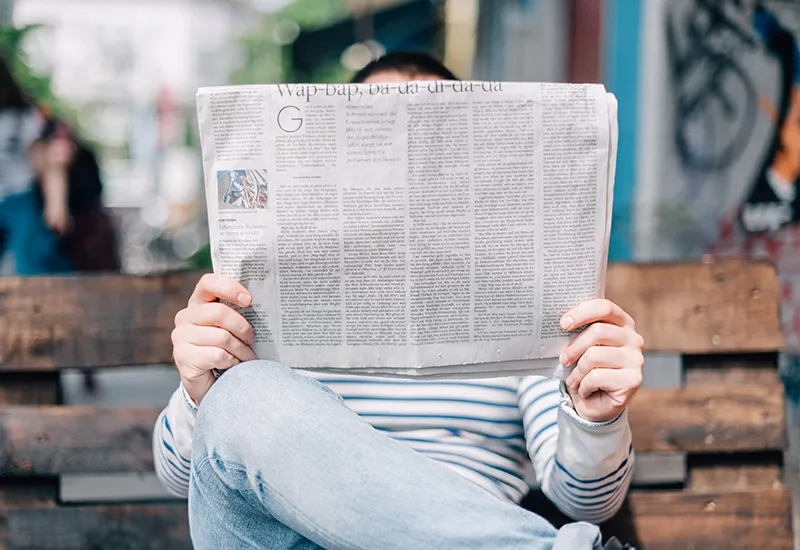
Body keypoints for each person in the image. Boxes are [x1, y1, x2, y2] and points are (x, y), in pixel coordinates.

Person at [154, 52, 643, 550]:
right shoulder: (261, 296)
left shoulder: (524, 298)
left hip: (465, 531)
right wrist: (201, 392)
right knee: (244, 394)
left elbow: (587, 502)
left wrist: (596, 419)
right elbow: (182, 478)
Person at [0, 54, 72, 274]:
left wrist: (56, 204)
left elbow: (49, 165)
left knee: (26, 259)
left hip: (18, 198)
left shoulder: (21, 118)